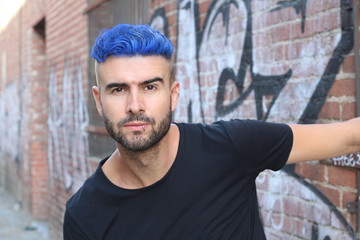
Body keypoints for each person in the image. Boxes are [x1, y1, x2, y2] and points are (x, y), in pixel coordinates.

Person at [63, 24, 360, 240]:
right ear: (99, 100)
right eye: (118, 90)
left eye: (150, 87)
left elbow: (348, 135)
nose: (135, 105)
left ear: (173, 94)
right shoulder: (85, 214)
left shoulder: (232, 147)